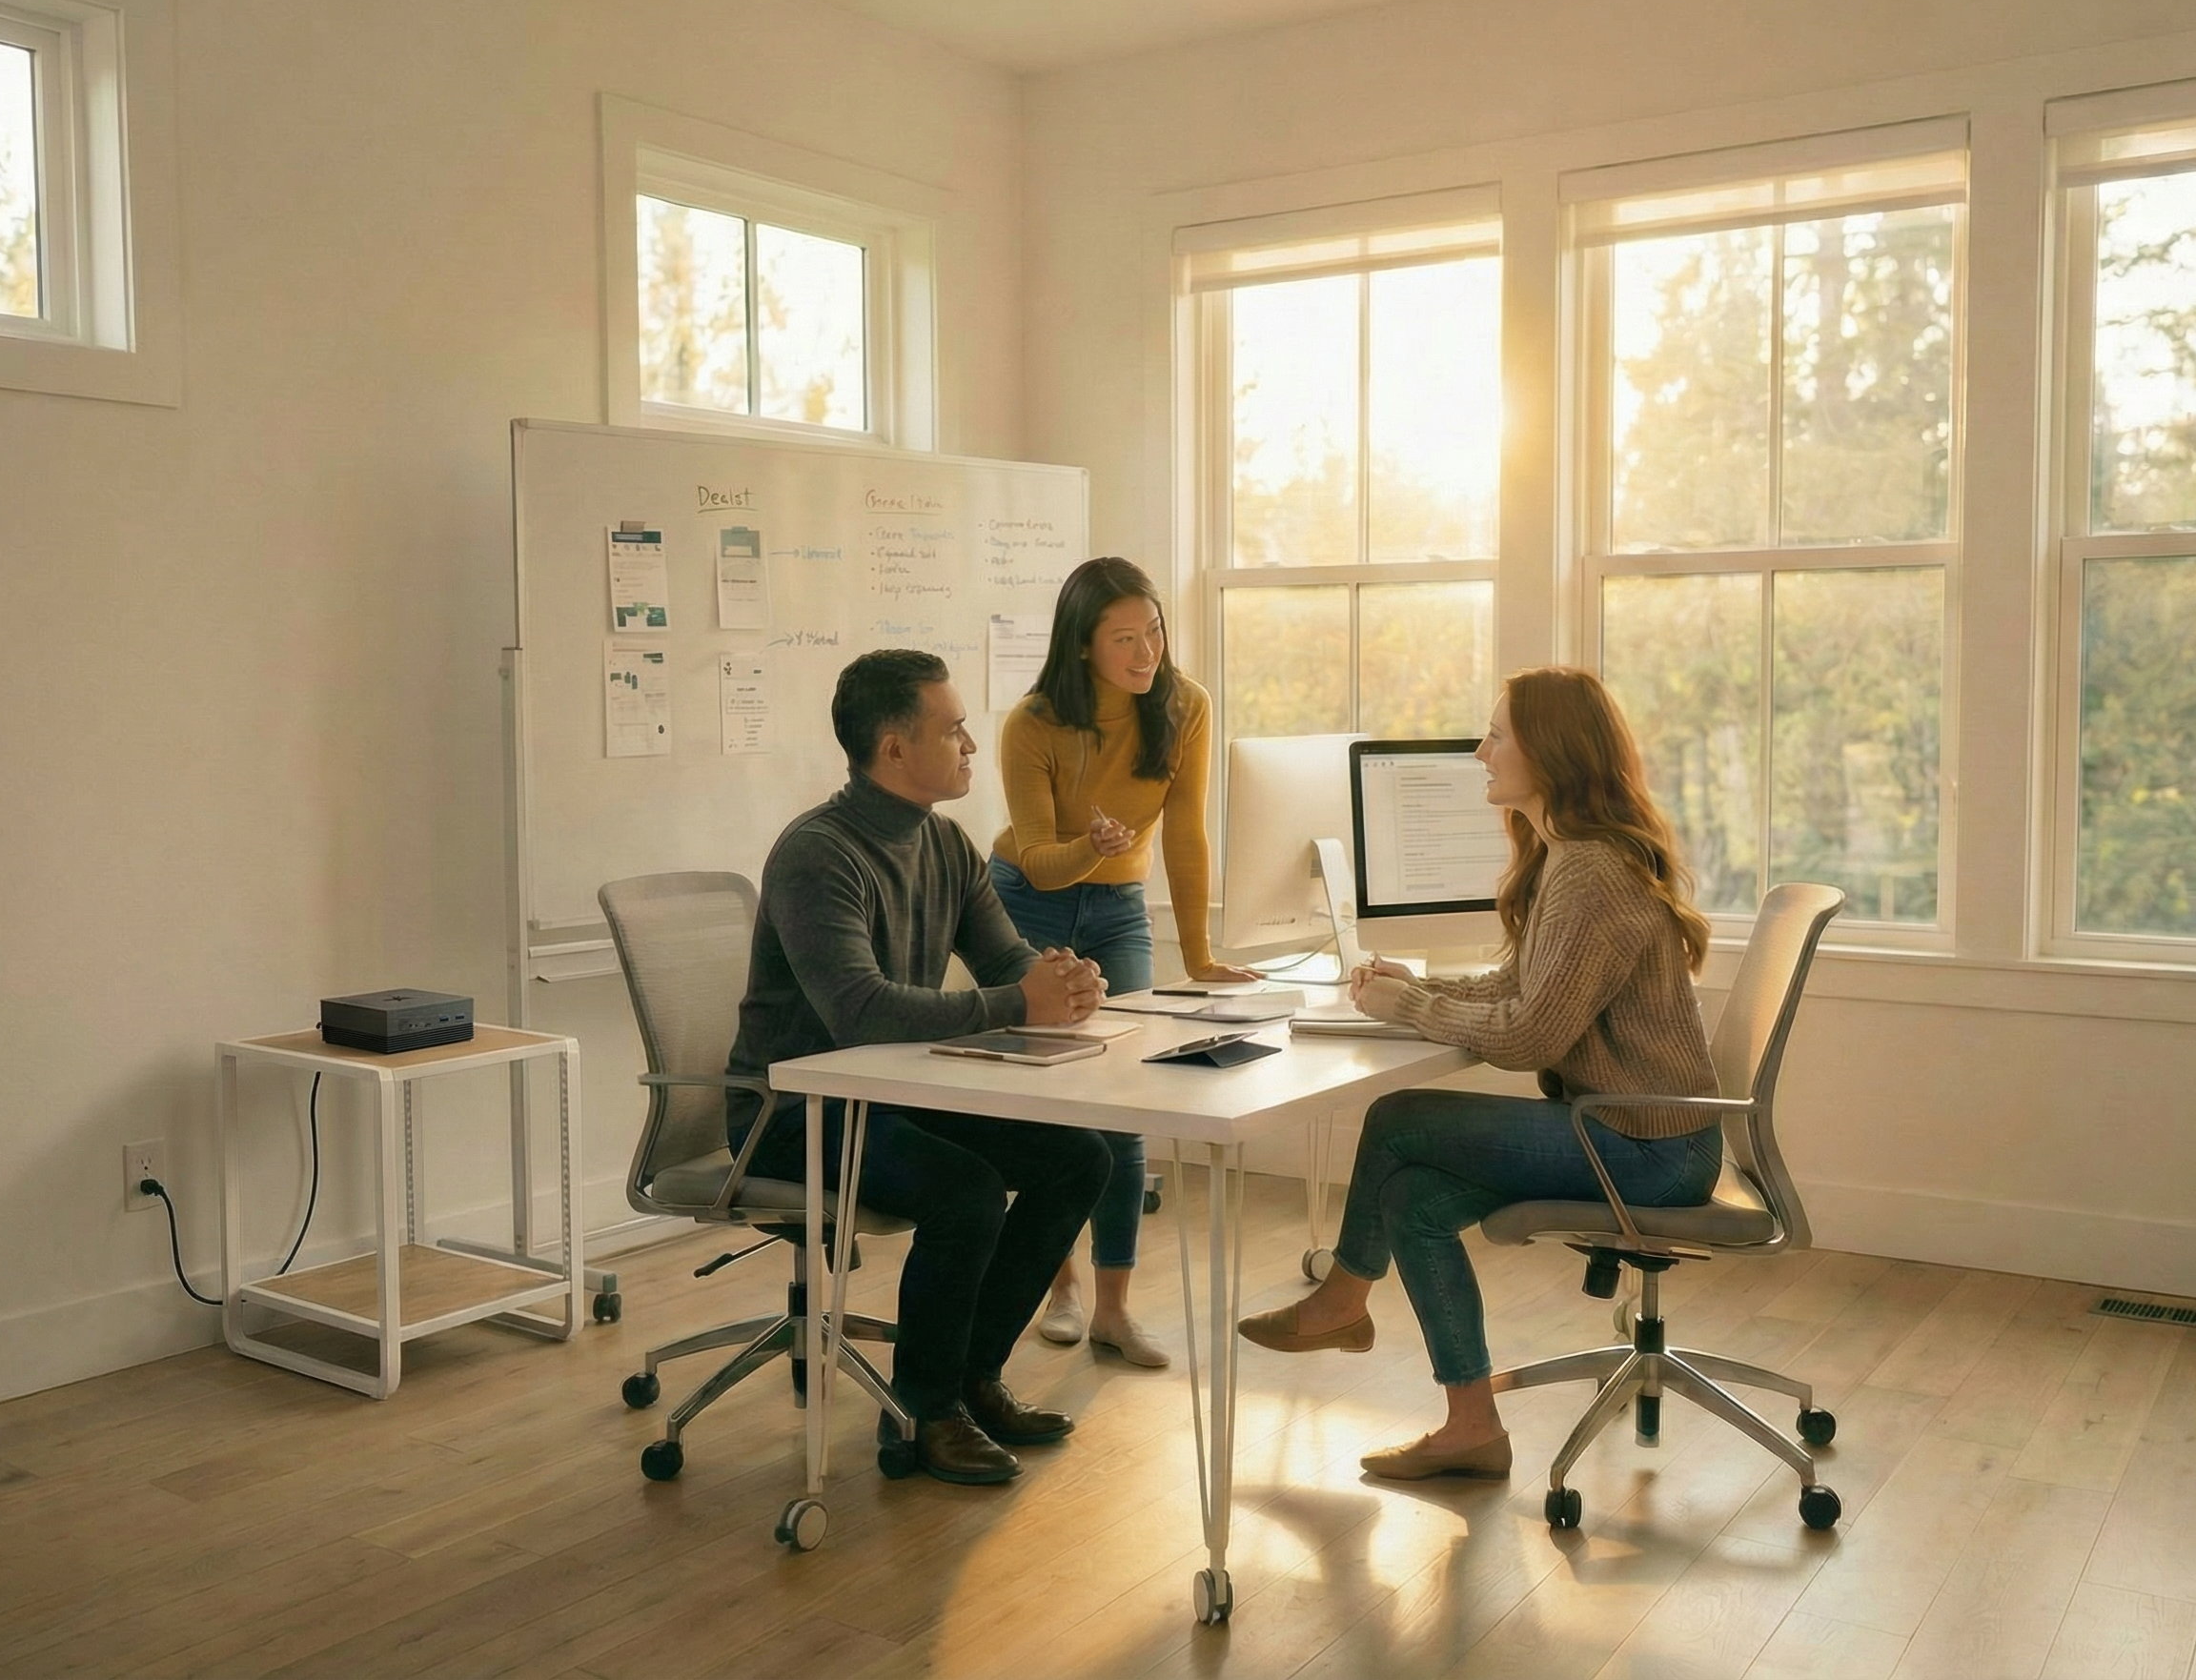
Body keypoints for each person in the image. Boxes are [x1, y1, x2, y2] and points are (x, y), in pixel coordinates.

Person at [1235, 666, 1722, 1482]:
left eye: (1496, 734)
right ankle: (1471, 1428)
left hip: (1648, 1148)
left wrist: (1408, 1010)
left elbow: (1531, 1032)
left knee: (1399, 1118)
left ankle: (1341, 1302)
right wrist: (1418, 989)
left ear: (1550, 750)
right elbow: (1524, 986)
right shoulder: (1570, 857)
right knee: (1412, 1201)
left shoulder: (1592, 872)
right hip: (1637, 1131)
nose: (1479, 750)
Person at [725, 648, 1114, 1487]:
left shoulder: (945, 843)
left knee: (1081, 1156)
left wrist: (1065, 981)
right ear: (895, 748)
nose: (972, 744)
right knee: (965, 1191)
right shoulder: (817, 854)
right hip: (793, 1113)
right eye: (954, 729)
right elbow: (859, 1011)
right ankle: (923, 1413)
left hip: (888, 1099)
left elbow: (1008, 963)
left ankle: (972, 1379)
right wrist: (1023, 1001)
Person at [988, 557, 1258, 1368]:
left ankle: (1113, 1307)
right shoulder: (1030, 724)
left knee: (1127, 1099)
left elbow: (1184, 833)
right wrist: (1087, 847)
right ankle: (1057, 1287)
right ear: (1082, 646)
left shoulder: (1185, 707)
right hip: (1027, 902)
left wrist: (1201, 955)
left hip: (1116, 909)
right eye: (1125, 639)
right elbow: (1037, 859)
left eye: (1155, 631)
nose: (1147, 653)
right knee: (1047, 1104)